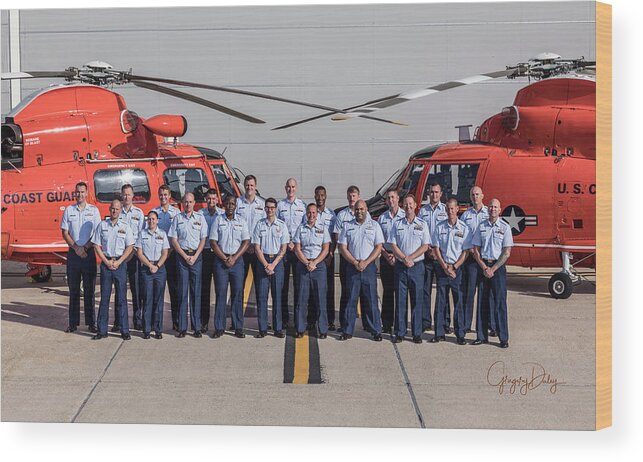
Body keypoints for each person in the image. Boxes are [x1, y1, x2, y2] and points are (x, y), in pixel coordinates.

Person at [337, 199, 384, 341]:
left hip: (368, 267)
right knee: (350, 299)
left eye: (362, 209)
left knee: (371, 300)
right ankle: (347, 330)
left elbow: (378, 246)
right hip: (353, 267)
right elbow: (342, 247)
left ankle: (376, 330)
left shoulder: (374, 226)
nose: (359, 211)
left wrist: (366, 262)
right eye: (357, 209)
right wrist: (354, 262)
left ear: (366, 210)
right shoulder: (347, 226)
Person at [388, 194, 430, 343]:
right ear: (402, 205)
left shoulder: (422, 224)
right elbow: (393, 245)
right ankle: (400, 332)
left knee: (417, 300)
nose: (408, 207)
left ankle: (416, 333)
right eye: (405, 204)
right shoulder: (397, 224)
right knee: (400, 300)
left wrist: (410, 258)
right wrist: (404, 258)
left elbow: (425, 246)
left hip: (417, 267)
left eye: (410, 204)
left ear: (416, 205)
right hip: (401, 266)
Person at [60, 181, 102, 333]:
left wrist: (85, 248)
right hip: (73, 253)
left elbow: (97, 233)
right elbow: (65, 232)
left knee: (89, 290)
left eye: (82, 192)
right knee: (74, 290)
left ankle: (91, 323)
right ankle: (73, 323)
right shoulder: (69, 210)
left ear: (87, 192)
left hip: (88, 253)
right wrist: (76, 248)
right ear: (75, 193)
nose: (80, 194)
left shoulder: (94, 210)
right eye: (77, 192)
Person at [471, 198, 513, 348]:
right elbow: (475, 249)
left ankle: (503, 338)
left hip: (498, 269)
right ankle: (481, 336)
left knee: (500, 303)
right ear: (487, 209)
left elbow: (507, 252)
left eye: (495, 207)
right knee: (482, 302)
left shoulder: (505, 227)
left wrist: (493, 269)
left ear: (500, 210)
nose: (493, 209)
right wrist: (484, 267)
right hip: (483, 267)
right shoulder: (481, 227)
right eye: (490, 207)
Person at [91, 199, 134, 340]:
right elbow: (97, 245)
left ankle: (124, 330)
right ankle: (102, 330)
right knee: (104, 298)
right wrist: (106, 261)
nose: (114, 211)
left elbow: (130, 247)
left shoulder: (126, 227)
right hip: (106, 265)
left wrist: (120, 261)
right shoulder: (102, 225)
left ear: (120, 210)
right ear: (109, 210)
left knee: (121, 299)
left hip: (120, 264)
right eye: (112, 209)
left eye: (117, 209)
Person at [209, 195, 250, 338]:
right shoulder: (218, 220)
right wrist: (225, 258)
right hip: (221, 261)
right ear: (224, 205)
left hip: (237, 261)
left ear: (236, 206)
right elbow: (213, 242)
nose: (230, 206)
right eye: (228, 203)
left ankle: (238, 327)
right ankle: (219, 327)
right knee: (221, 294)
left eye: (232, 203)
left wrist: (234, 257)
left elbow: (246, 241)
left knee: (238, 294)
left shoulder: (242, 221)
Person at [431, 198, 471, 345]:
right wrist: (444, 266)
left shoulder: (464, 228)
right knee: (440, 302)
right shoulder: (439, 227)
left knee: (458, 302)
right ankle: (439, 333)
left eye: (452, 209)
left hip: (457, 270)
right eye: (447, 209)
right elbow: (436, 248)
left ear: (457, 209)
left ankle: (460, 334)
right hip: (442, 269)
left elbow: (466, 251)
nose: (450, 212)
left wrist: (454, 267)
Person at [168, 192, 208, 338]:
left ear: (194, 203)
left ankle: (196, 327)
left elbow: (203, 239)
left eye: (190, 202)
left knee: (195, 292)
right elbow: (174, 239)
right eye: (185, 202)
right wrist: (185, 256)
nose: (188, 204)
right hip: (182, 257)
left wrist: (195, 256)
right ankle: (183, 327)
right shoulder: (178, 218)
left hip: (196, 257)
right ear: (182, 203)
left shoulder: (200, 218)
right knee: (182, 292)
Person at [332, 185, 369, 332]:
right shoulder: (342, 215)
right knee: (347, 292)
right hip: (347, 259)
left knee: (365, 294)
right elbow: (337, 236)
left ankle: (367, 323)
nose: (352, 198)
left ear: (358, 196)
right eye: (350, 196)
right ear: (347, 197)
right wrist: (351, 258)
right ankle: (345, 323)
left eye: (354, 195)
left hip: (363, 261)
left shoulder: (367, 214)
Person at [252, 197, 290, 338]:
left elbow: (284, 248)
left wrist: (273, 264)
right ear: (265, 209)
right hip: (263, 261)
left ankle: (277, 328)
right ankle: (262, 328)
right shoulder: (259, 225)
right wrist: (265, 264)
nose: (270, 210)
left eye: (272, 207)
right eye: (267, 207)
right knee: (262, 297)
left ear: (276, 209)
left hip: (277, 263)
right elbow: (256, 247)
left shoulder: (282, 225)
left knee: (277, 297)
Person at [293, 203, 331, 338]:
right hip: (304, 265)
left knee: (320, 299)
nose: (311, 215)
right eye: (309, 212)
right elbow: (297, 248)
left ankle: (323, 329)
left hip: (318, 266)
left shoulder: (323, 228)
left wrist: (314, 262)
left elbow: (326, 248)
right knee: (302, 299)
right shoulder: (301, 228)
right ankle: (300, 329)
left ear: (317, 214)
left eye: (314, 213)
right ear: (306, 213)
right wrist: (306, 262)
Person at [460, 186, 492, 335]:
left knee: (487, 293)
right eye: (472, 195)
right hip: (472, 259)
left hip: (485, 258)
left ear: (482, 196)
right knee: (469, 292)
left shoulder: (489, 213)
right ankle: (466, 324)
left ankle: (490, 325)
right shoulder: (466, 215)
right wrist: (470, 249)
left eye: (477, 194)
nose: (475, 197)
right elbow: (462, 235)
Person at [418, 182, 449, 333]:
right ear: (428, 194)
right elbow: (419, 231)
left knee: (443, 290)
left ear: (441, 194)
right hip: (427, 255)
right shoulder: (422, 211)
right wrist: (428, 248)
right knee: (425, 290)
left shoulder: (445, 210)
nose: (434, 195)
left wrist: (438, 251)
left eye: (437, 192)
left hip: (441, 256)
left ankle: (444, 322)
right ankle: (425, 321)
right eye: (431, 192)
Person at [306, 185, 337, 331]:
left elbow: (334, 236)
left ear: (326, 196)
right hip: (313, 257)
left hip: (327, 257)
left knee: (328, 289)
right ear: (314, 196)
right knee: (312, 289)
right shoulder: (310, 213)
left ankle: (329, 320)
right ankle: (312, 319)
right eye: (317, 195)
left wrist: (331, 253)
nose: (320, 198)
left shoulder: (331, 215)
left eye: (322, 195)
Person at [277, 178, 307, 328]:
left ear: (296, 188)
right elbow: (276, 227)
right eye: (288, 187)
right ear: (285, 188)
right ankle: (283, 318)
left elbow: (305, 227)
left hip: (297, 250)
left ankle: (298, 318)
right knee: (283, 285)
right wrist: (286, 242)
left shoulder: (302, 206)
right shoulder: (280, 206)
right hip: (284, 250)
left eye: (293, 187)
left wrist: (295, 243)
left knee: (298, 285)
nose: (290, 189)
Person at [136, 211, 170, 339]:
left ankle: (158, 329)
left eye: (153, 219)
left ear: (157, 220)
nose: (151, 221)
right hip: (147, 268)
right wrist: (150, 265)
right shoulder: (142, 234)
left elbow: (165, 253)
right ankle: (146, 329)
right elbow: (139, 253)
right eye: (149, 219)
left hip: (159, 269)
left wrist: (157, 266)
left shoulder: (162, 234)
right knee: (147, 299)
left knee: (158, 300)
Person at [152, 185, 181, 331]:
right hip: (158, 258)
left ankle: (176, 321)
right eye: (161, 195)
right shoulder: (154, 213)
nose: (163, 197)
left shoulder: (176, 213)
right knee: (158, 291)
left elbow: (178, 235)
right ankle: (156, 323)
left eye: (165, 195)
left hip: (172, 255)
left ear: (170, 196)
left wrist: (169, 251)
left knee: (174, 291)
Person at [377, 190, 405, 333]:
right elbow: (379, 241)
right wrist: (386, 255)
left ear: (398, 199)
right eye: (388, 198)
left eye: (393, 197)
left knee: (400, 292)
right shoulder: (382, 218)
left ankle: (400, 324)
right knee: (387, 292)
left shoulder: (405, 216)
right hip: (386, 258)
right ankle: (387, 324)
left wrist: (397, 255)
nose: (391, 200)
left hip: (400, 258)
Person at [119, 184, 145, 331]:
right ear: (121, 195)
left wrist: (134, 252)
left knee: (136, 290)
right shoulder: (118, 213)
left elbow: (141, 235)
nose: (126, 197)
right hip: (121, 256)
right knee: (120, 289)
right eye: (124, 194)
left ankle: (137, 319)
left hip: (134, 256)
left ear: (133, 195)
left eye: (129, 194)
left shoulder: (139, 213)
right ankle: (119, 321)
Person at [236, 175, 266, 303]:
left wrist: (255, 245)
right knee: (238, 286)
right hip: (242, 250)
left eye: (252, 185)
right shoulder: (238, 203)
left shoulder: (262, 204)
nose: (249, 188)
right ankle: (237, 322)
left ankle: (262, 323)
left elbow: (265, 225)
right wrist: (245, 245)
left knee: (260, 286)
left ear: (256, 187)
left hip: (257, 249)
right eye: (247, 185)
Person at [199, 188, 225, 333]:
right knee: (204, 289)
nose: (211, 201)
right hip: (204, 253)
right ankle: (203, 322)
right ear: (205, 200)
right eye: (209, 199)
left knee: (220, 289)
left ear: (217, 200)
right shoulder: (200, 215)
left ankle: (219, 323)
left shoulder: (222, 214)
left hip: (218, 254)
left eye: (214, 199)